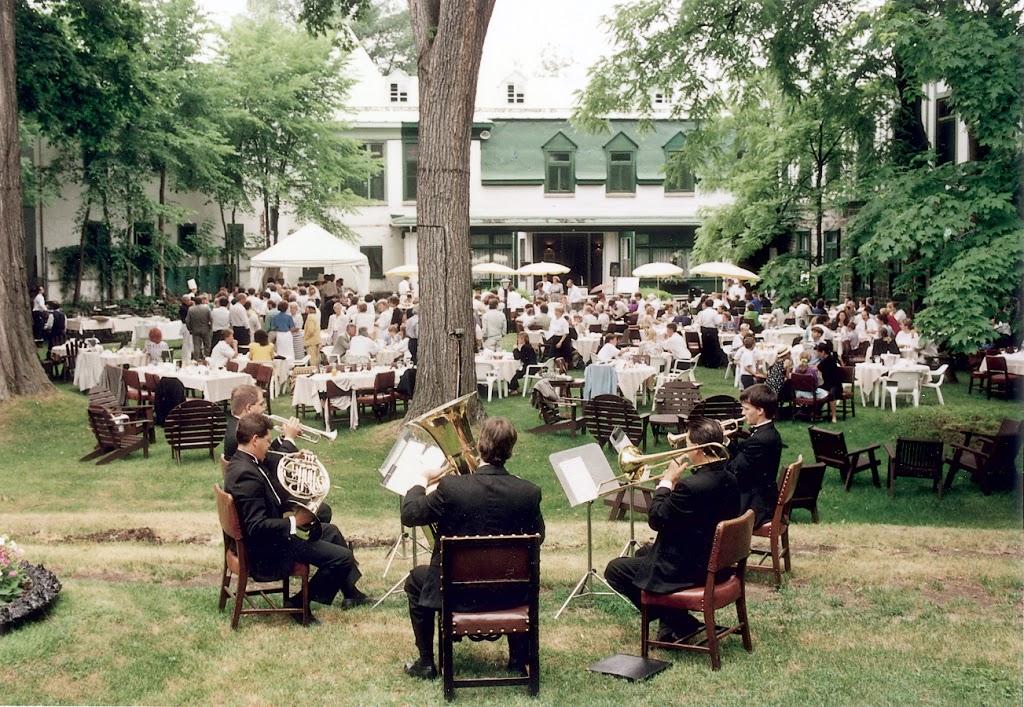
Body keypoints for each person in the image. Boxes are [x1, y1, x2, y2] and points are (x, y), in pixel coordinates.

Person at [400, 417, 545, 680]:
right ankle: (517, 660)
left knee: (415, 580)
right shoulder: (529, 492)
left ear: (479, 445)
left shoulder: (451, 488)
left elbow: (410, 514)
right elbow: (539, 538)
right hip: (511, 596)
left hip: (456, 596)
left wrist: (421, 479)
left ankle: (426, 662)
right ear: (511, 451)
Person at [224, 414, 369, 623]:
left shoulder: (246, 461)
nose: (268, 446)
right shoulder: (245, 474)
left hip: (269, 541)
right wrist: (296, 521)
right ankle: (298, 602)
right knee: (342, 558)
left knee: (332, 532)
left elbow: (271, 472)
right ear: (255, 439)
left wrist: (297, 458)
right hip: (265, 552)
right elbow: (255, 526)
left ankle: (351, 594)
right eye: (267, 441)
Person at [604, 418, 740, 642]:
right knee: (642, 554)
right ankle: (674, 621)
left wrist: (666, 483)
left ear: (698, 448)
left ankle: (674, 618)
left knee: (615, 569)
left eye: (687, 444)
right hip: (717, 560)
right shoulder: (730, 478)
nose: (685, 450)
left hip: (694, 568)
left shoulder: (690, 486)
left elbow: (657, 519)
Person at [727, 384, 783, 527]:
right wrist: (726, 442)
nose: (743, 413)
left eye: (746, 409)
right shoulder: (767, 432)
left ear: (760, 411)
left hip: (753, 504)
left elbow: (734, 470)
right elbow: (743, 457)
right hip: (760, 495)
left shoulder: (759, 439)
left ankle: (720, 548)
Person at [186, 295, 213, 361]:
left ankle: (196, 359)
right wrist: (211, 326)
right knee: (207, 345)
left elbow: (187, 320)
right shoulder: (206, 308)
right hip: (205, 328)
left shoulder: (191, 309)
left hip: (195, 329)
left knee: (196, 346)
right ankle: (207, 358)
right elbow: (211, 318)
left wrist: (190, 328)